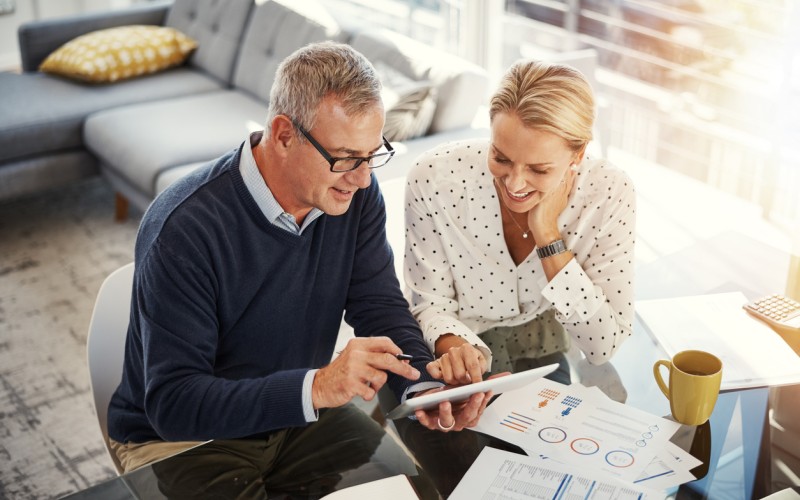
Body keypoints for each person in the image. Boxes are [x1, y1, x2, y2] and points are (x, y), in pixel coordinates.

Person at [105, 41, 490, 494]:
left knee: (418, 491)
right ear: (284, 134)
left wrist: (425, 386)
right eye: (346, 158)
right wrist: (317, 388)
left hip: (298, 416)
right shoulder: (185, 227)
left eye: (372, 155)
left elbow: (379, 304)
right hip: (185, 438)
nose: (364, 178)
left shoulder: (355, 195)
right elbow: (173, 403)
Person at [404, 59, 636, 386]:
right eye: (500, 158)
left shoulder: (608, 193)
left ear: (579, 154)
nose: (514, 184)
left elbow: (602, 345)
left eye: (539, 170)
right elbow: (429, 303)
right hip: (448, 349)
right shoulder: (434, 178)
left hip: (542, 347)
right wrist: (455, 349)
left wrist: (548, 236)